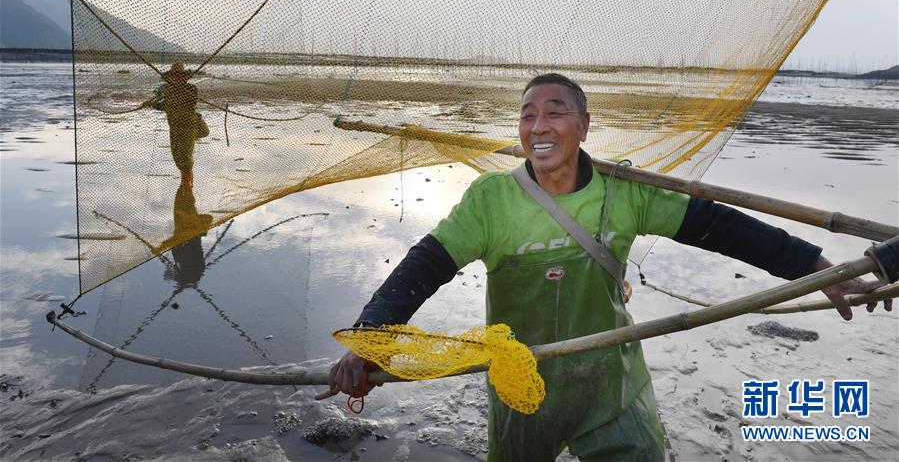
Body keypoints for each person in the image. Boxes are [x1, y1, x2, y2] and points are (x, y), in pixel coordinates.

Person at [328, 73, 890, 461]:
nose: (539, 125)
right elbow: (424, 266)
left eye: (555, 111)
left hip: (613, 382)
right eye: (527, 115)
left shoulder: (625, 193)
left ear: (585, 125)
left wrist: (823, 268)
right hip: (523, 383)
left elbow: (727, 230)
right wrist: (368, 339)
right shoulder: (491, 200)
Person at [145, 61, 201, 188]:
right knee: (178, 158)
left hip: (188, 127)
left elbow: (192, 102)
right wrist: (151, 104)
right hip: (174, 127)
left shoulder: (191, 88)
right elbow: (165, 106)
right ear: (170, 77)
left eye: (180, 75)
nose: (177, 77)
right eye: (174, 75)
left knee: (185, 157)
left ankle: (186, 186)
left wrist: (179, 88)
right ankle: (187, 182)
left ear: (185, 77)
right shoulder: (168, 89)